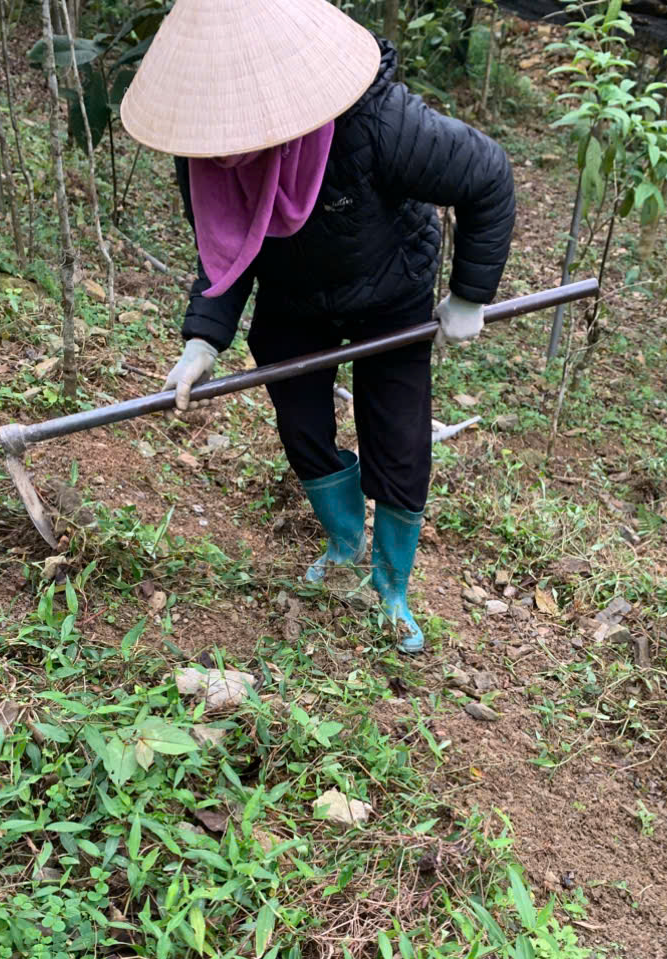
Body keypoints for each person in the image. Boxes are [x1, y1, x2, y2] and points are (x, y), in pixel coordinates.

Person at [120, 0, 516, 652]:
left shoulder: (378, 122)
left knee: (399, 438)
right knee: (302, 425)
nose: (226, 149)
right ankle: (344, 542)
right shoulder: (205, 156)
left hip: (391, 288)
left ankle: (391, 587)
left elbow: (488, 176)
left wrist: (469, 296)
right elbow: (229, 250)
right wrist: (203, 338)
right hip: (293, 296)